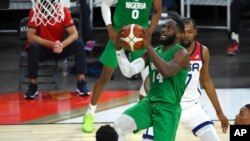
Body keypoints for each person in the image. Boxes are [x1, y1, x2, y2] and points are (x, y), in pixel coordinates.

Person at [98, 18, 189, 141]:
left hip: (168, 109)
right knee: (116, 129)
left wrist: (148, 46)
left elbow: (167, 71)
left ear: (178, 34)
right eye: (163, 26)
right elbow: (129, 71)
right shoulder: (153, 52)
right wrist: (119, 50)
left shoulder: (181, 53)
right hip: (149, 103)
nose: (163, 30)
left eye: (168, 28)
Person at [142, 18, 229, 141]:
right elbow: (149, 79)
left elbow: (207, 81)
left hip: (191, 106)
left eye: (190, 32)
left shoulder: (202, 51)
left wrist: (219, 112)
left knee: (213, 138)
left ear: (196, 32)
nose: (186, 36)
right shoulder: (168, 50)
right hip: (166, 105)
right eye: (184, 32)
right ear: (178, 33)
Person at [82, 0, 162, 133]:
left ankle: (139, 115)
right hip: (120, 33)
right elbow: (105, 4)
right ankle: (89, 113)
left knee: (149, 78)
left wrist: (150, 31)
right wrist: (110, 29)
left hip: (140, 35)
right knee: (105, 77)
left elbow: (158, 10)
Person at [25, 0, 90, 99]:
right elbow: (30, 36)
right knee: (33, 46)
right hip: (43, 49)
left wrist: (62, 45)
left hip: (58, 48)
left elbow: (74, 34)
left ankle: (81, 82)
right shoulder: (35, 11)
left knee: (79, 43)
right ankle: (33, 86)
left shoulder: (63, 11)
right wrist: (51, 44)